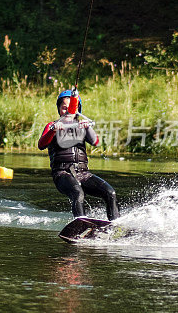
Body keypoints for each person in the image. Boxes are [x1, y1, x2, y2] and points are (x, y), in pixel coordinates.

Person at [38, 89, 119, 220]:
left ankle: (115, 225)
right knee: (78, 193)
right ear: (59, 109)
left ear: (77, 110)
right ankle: (81, 224)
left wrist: (87, 127)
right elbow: (41, 144)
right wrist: (53, 131)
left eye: (70, 108)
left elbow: (95, 142)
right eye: (64, 108)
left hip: (83, 174)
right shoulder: (51, 126)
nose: (67, 111)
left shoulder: (82, 126)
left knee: (110, 193)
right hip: (62, 174)